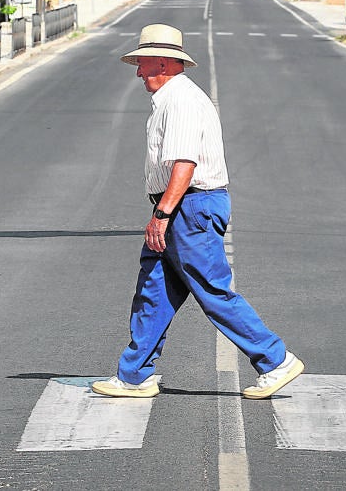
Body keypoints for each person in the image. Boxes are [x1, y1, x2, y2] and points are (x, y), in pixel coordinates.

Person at [92, 24, 304, 400]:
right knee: (153, 291)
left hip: (189, 205)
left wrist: (162, 214)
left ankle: (276, 360)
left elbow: (184, 164)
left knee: (211, 289)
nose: (138, 71)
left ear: (163, 62)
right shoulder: (170, 100)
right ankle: (135, 375)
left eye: (142, 63)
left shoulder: (182, 101)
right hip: (180, 205)